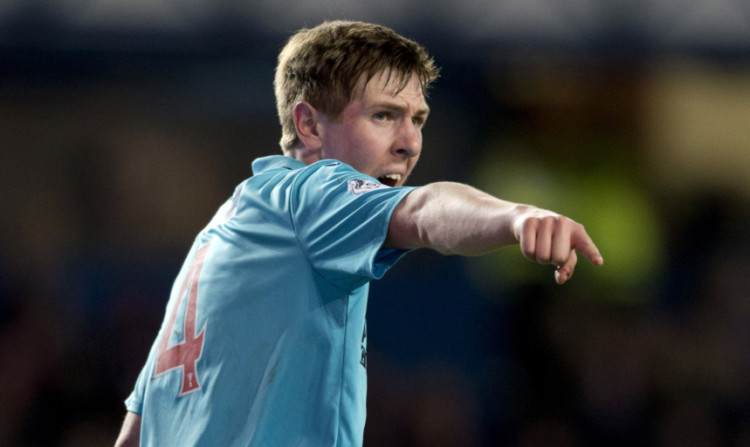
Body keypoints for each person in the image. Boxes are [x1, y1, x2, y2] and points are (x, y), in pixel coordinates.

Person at [114, 20, 603, 447]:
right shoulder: (314, 192)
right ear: (308, 125)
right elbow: (427, 209)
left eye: (418, 120)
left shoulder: (224, 231)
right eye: (384, 116)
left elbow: (135, 435)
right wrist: (514, 217)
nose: (410, 143)